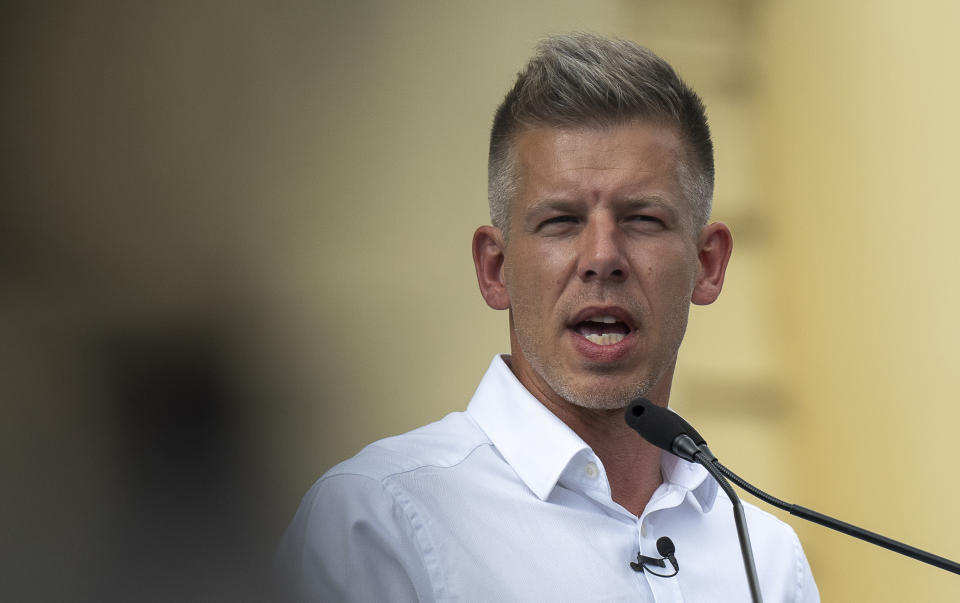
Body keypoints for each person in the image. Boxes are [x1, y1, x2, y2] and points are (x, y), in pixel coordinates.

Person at [277, 33, 819, 602]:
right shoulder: (375, 521)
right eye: (561, 221)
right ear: (496, 268)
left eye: (642, 219)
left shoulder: (766, 558)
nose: (603, 257)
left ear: (708, 265)